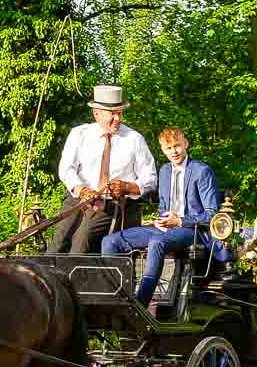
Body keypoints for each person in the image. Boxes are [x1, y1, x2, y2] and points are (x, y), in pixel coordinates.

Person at [101, 127, 221, 305]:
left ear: (186, 144)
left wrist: (180, 220)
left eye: (177, 146)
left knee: (157, 243)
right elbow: (164, 207)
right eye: (168, 148)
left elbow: (212, 214)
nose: (174, 151)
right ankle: (118, 299)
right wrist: (160, 220)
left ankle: (140, 305)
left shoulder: (201, 171)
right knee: (110, 241)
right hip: (165, 228)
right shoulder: (164, 171)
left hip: (191, 230)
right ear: (163, 150)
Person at [47, 85, 157, 255]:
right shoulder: (79, 134)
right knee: (57, 246)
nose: (117, 119)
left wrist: (128, 187)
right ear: (96, 113)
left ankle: (78, 277)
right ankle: (49, 279)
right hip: (78, 200)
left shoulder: (135, 139)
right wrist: (81, 189)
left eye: (119, 113)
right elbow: (66, 168)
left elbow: (150, 178)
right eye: (111, 114)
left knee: (81, 243)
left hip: (115, 205)